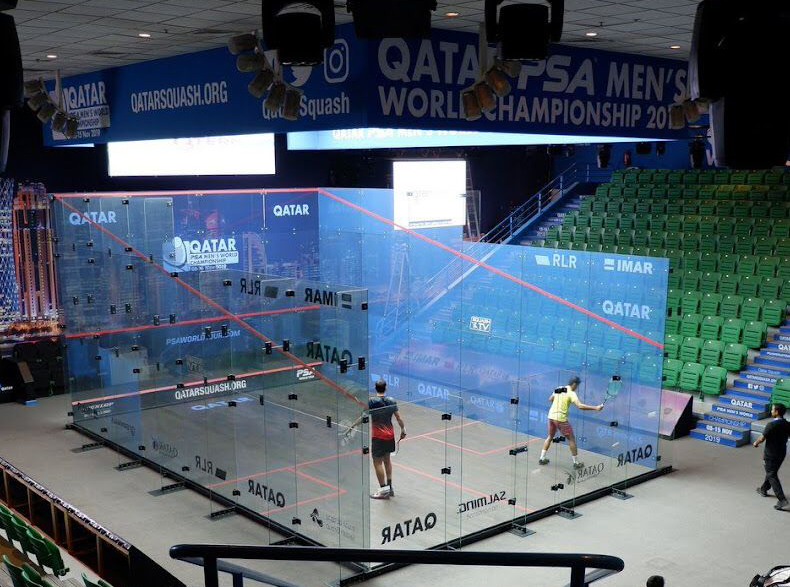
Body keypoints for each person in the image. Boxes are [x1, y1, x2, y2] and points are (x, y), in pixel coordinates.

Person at [346, 379, 406, 500]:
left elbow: (364, 418)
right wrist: (403, 429)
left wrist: (353, 426)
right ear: (386, 387)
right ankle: (390, 488)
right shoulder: (392, 401)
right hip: (390, 436)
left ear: (375, 388)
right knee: (387, 460)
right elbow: (399, 418)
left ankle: (384, 491)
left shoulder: (372, 402)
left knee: (377, 462)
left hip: (378, 437)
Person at [539, 376, 603, 469]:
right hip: (560, 419)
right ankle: (576, 463)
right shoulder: (571, 393)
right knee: (571, 439)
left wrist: (558, 402)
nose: (577, 388)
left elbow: (550, 399)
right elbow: (580, 406)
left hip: (551, 417)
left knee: (550, 437)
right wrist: (596, 408)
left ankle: (542, 458)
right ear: (574, 384)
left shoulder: (559, 388)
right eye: (577, 386)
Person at [753, 402, 790, 511]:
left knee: (771, 474)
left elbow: (762, 438)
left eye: (773, 409)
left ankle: (782, 499)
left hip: (771, 455)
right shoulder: (787, 424)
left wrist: (756, 443)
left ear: (777, 412)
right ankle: (764, 489)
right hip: (781, 453)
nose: (771, 411)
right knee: (771, 471)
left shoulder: (771, 425)